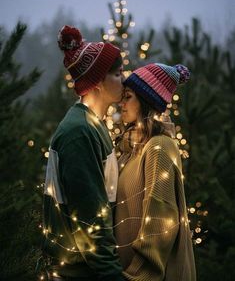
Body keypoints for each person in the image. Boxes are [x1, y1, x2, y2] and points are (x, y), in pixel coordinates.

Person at [42, 25, 125, 281]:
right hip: (78, 273)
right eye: (118, 73)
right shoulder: (79, 133)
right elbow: (91, 220)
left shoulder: (92, 124)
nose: (124, 79)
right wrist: (112, 274)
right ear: (99, 81)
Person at [115, 63, 196, 281]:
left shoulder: (159, 147)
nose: (120, 104)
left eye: (128, 97)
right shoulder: (132, 149)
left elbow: (161, 220)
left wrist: (138, 275)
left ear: (145, 101)